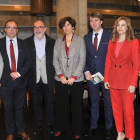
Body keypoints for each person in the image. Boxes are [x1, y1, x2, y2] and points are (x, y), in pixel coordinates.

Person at [104, 16, 139, 140]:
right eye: (118, 25)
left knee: (128, 112)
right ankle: (120, 132)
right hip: (113, 81)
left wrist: (133, 83)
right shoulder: (111, 41)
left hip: (127, 82)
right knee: (116, 110)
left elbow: (136, 65)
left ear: (128, 27)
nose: (120, 27)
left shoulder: (134, 42)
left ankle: (130, 136)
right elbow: (108, 61)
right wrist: (106, 79)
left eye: (123, 25)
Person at [53, 17, 86, 139]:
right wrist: (61, 75)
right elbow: (55, 60)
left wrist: (73, 76)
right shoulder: (58, 42)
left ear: (73, 27)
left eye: (68, 25)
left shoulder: (80, 41)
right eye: (64, 25)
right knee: (60, 104)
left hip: (75, 79)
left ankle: (77, 129)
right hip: (60, 79)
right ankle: (59, 128)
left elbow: (82, 60)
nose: (66, 27)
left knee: (76, 104)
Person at [0, 20, 32, 140]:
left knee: (20, 108)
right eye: (9, 27)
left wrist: (19, 73)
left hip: (21, 82)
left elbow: (29, 61)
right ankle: (10, 133)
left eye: (14, 28)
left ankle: (21, 131)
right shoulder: (0, 44)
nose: (12, 30)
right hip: (4, 83)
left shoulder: (24, 44)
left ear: (17, 30)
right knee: (7, 109)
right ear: (5, 30)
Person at [84, 12, 113, 139]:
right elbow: (83, 57)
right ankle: (93, 126)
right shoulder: (86, 37)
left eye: (96, 20)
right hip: (92, 77)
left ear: (101, 21)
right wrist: (86, 71)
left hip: (107, 76)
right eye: (91, 21)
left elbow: (113, 57)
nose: (93, 23)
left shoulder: (110, 36)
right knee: (94, 103)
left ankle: (109, 128)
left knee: (108, 103)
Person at [25, 21, 55, 135]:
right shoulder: (26, 42)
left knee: (49, 104)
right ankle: (38, 126)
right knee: (36, 104)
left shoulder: (52, 42)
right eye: (35, 27)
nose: (38, 29)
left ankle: (49, 125)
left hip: (48, 78)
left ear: (45, 28)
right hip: (34, 78)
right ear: (33, 29)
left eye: (40, 27)